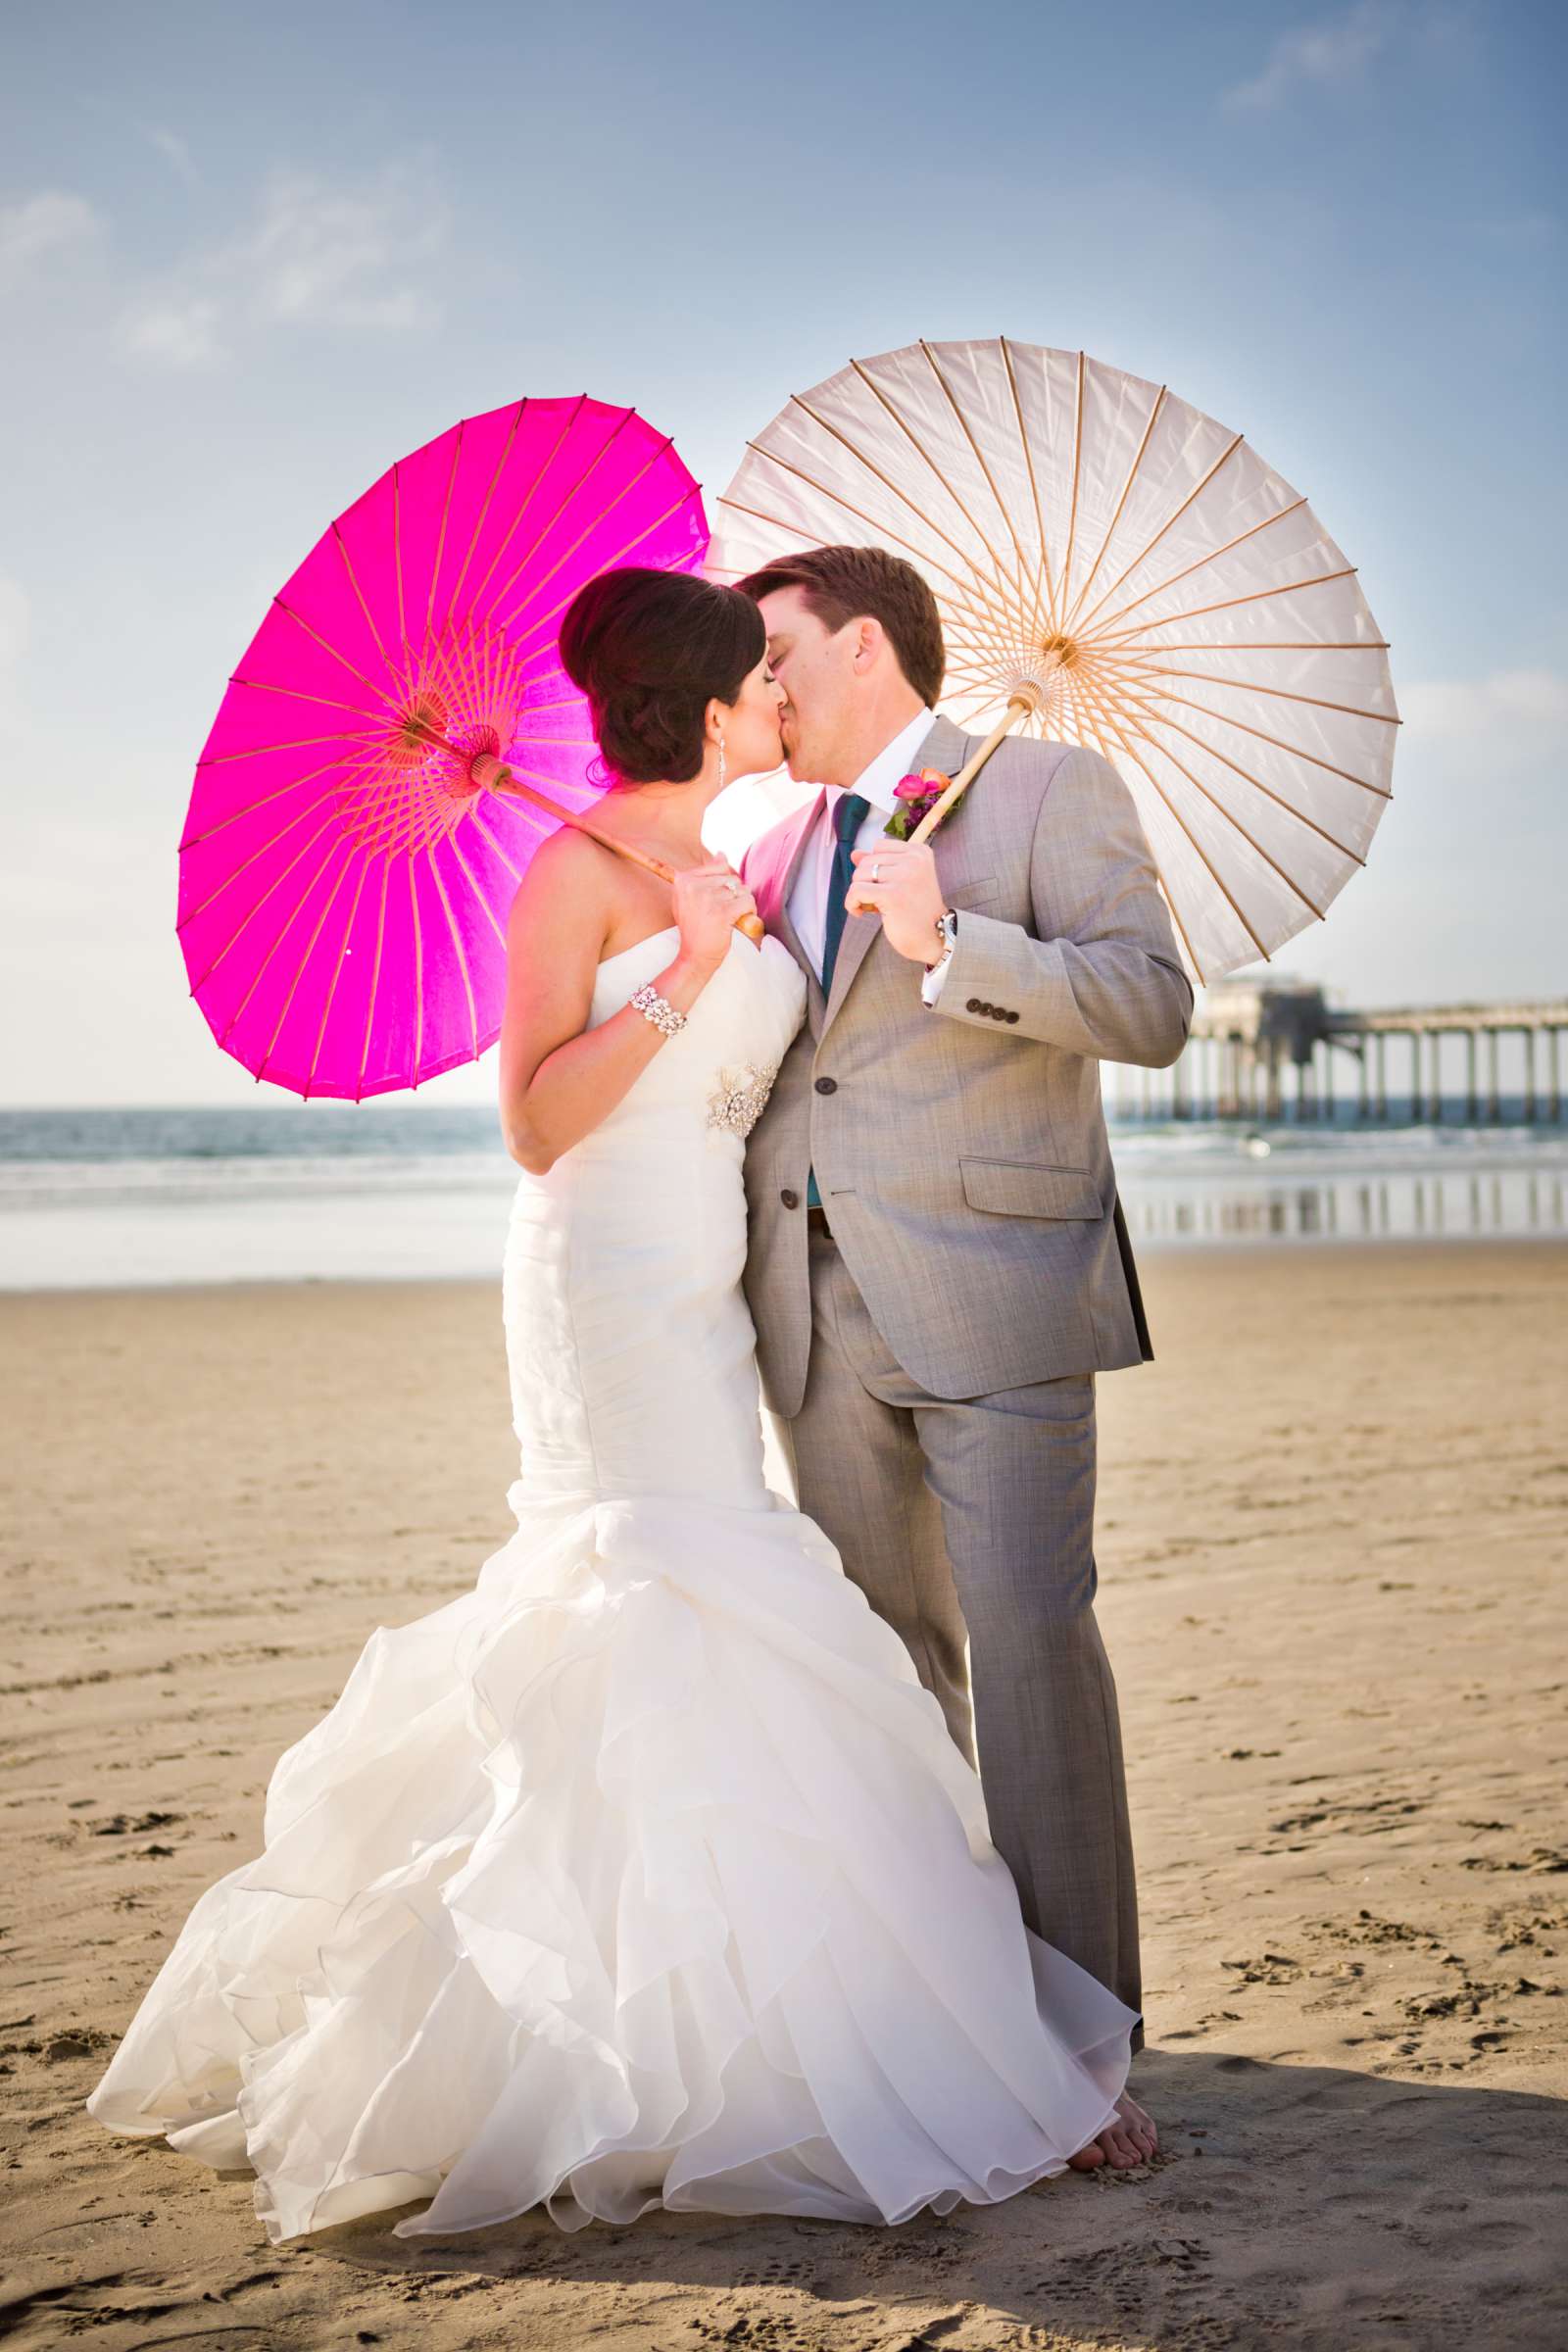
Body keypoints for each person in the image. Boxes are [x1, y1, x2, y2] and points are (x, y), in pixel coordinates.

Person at [84, 564, 1139, 2245]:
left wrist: (891, 940)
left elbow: (843, 1060)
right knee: (649, 1598)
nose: (780, 700)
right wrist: (679, 971)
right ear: (718, 706)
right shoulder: (574, 870)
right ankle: (615, 2040)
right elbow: (534, 1120)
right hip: (609, 1277)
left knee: (780, 1618)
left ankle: (888, 2014)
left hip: (730, 1283)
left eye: (793, 666)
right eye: (759, 679)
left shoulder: (764, 851)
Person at [735, 544, 1194, 2171]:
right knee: (889, 1675)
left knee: (1031, 1660)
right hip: (813, 1307)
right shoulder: (773, 843)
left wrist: (955, 946)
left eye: (776, 652)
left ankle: (1081, 2059)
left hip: (999, 1290)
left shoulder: (1048, 790)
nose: (759, 685)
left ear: (866, 647)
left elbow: (1151, 1005)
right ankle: (949, 2024)